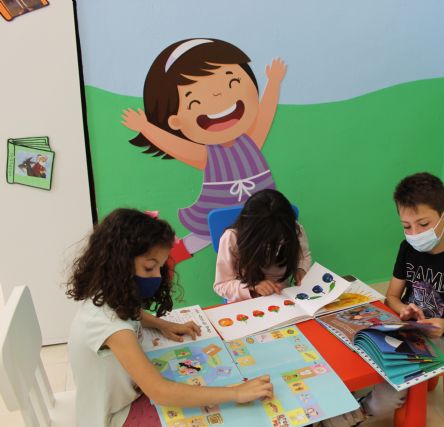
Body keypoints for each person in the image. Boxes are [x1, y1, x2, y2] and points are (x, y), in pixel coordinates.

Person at [66, 208, 272, 427]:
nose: (157, 276)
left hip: (126, 395)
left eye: (160, 267)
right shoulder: (108, 324)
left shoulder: (110, 294)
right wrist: (236, 393)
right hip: (114, 415)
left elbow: (130, 313)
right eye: (149, 268)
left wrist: (162, 324)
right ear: (119, 264)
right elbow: (161, 391)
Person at [323, 172, 444, 427]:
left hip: (441, 338)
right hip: (404, 326)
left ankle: (360, 412)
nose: (415, 233)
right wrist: (403, 309)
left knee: (394, 381)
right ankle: (344, 395)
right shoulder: (408, 248)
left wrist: (443, 325)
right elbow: (392, 297)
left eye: (423, 224)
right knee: (356, 342)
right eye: (406, 226)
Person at [121, 38, 287, 267]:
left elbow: (265, 114)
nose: (218, 96)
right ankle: (170, 259)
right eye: (195, 100)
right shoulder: (209, 154)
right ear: (176, 121)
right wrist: (146, 128)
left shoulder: (250, 141)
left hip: (262, 214)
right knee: (205, 236)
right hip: (221, 211)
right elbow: (175, 145)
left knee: (269, 236)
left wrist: (274, 82)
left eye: (233, 82)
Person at [214, 189, 312, 302]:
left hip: (284, 297)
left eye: (281, 237)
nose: (277, 242)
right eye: (268, 238)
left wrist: (300, 269)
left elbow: (303, 256)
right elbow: (221, 285)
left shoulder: (292, 229)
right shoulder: (232, 238)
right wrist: (252, 286)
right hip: (246, 300)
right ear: (250, 231)